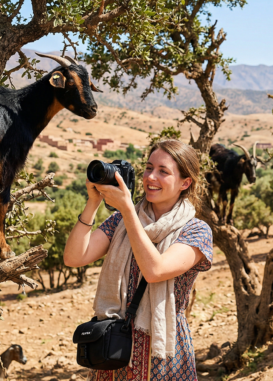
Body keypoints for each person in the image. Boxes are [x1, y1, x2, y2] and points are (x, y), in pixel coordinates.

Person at [63, 139, 213, 381]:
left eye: (163, 171)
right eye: (149, 167)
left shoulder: (196, 231)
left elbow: (155, 270)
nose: (151, 177)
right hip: (115, 345)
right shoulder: (120, 221)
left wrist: (128, 211)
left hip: (164, 348)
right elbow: (74, 257)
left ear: (185, 183)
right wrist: (93, 202)